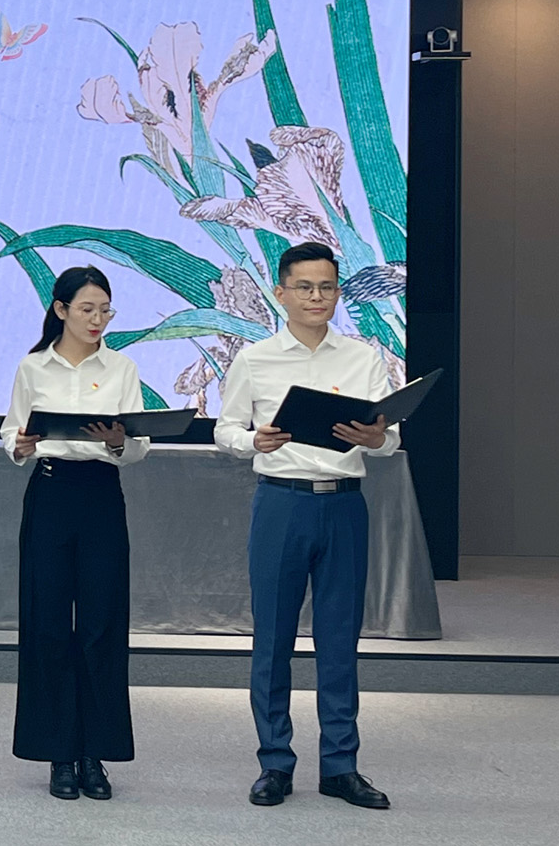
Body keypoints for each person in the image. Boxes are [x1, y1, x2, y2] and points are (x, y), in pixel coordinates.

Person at [215, 241, 398, 810]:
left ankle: (341, 766)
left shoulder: (364, 357)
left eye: (326, 287)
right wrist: (254, 440)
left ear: (338, 292)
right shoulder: (256, 358)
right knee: (272, 638)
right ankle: (275, 762)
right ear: (281, 292)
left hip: (344, 505)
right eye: (304, 287)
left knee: (340, 639)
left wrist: (378, 437)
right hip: (282, 503)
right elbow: (225, 430)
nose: (317, 297)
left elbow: (389, 439)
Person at [0, 265, 149, 801]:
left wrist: (118, 442)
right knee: (47, 622)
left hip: (100, 494)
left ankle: (94, 754)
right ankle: (59, 754)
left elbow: (138, 445)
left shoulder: (122, 367)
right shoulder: (33, 366)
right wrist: (19, 444)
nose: (97, 319)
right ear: (61, 310)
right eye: (87, 309)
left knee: (101, 623)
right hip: (50, 490)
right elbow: (12, 432)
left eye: (105, 310)